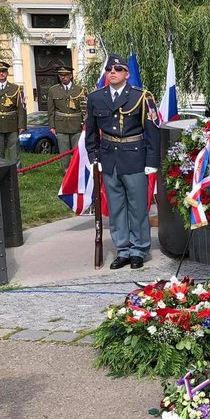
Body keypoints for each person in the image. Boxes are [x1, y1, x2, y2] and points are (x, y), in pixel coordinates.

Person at [85, 54, 160, 270]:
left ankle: (139, 249)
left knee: (137, 207)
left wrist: (152, 161)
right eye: (109, 70)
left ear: (127, 74)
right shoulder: (96, 98)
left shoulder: (142, 96)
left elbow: (152, 131)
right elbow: (91, 132)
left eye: (117, 69)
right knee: (116, 208)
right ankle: (123, 250)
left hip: (135, 156)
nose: (113, 73)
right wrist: (94, 157)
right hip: (109, 158)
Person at [46, 61, 87, 172]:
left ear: (71, 76)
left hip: (76, 124)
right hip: (61, 124)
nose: (63, 77)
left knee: (76, 150)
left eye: (65, 75)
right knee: (64, 151)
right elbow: (51, 110)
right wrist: (52, 126)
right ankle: (66, 171)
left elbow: (84, 109)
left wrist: (85, 124)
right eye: (61, 75)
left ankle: (77, 171)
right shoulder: (53, 90)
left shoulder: (80, 90)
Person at [0, 61, 27, 165]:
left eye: (4, 71)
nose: (1, 73)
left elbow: (21, 108)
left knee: (14, 150)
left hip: (12, 124)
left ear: (7, 73)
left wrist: (21, 125)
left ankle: (17, 171)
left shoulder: (16, 88)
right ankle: (0, 171)